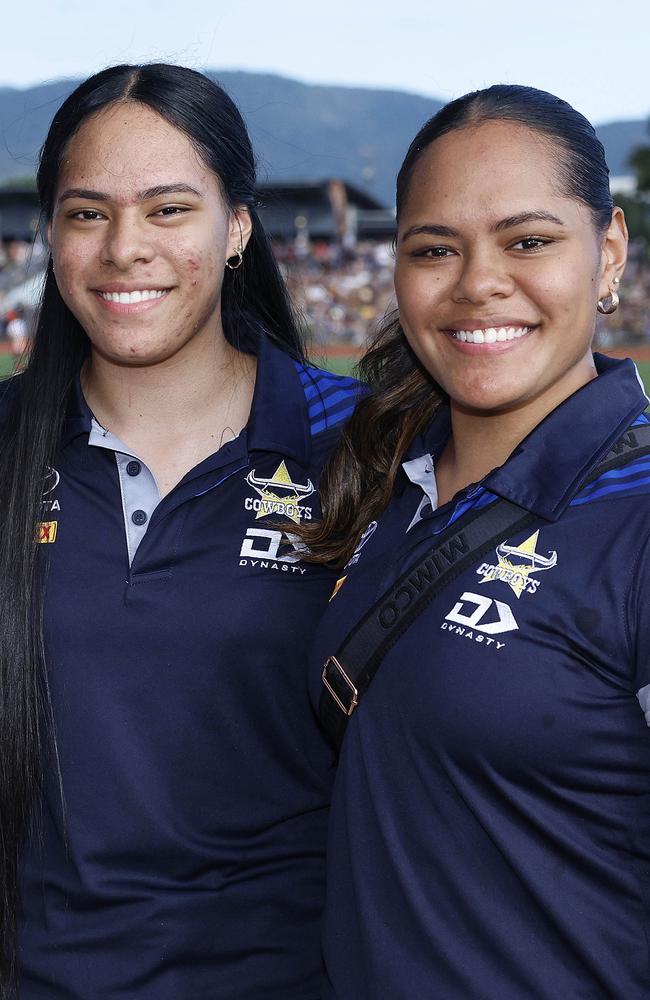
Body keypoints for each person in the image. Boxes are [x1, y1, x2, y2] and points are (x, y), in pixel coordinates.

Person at [0, 64, 359, 999]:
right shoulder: (6, 441)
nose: (125, 248)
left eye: (167, 209)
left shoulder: (365, 445)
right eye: (86, 214)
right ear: (52, 234)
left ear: (237, 227)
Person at [304, 85, 650, 998]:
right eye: (434, 250)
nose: (477, 282)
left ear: (607, 251)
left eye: (528, 241)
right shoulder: (387, 473)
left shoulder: (637, 517)